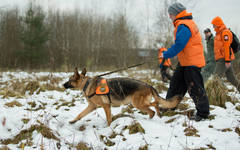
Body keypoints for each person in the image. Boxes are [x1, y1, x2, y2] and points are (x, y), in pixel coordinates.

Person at [160, 2, 209, 121]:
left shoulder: (184, 25)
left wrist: (166, 54)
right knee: (176, 84)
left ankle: (203, 113)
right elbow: (186, 45)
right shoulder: (184, 23)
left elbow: (180, 44)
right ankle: (168, 106)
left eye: (170, 14)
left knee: (195, 88)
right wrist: (178, 54)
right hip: (185, 61)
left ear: (176, 13)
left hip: (192, 62)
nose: (169, 16)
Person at [211, 16, 240, 92]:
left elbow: (227, 47)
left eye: (214, 25)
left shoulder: (225, 32)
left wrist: (227, 61)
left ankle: (219, 94)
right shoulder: (219, 33)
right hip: (222, 58)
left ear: (218, 24)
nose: (213, 26)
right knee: (231, 78)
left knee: (215, 78)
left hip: (224, 59)